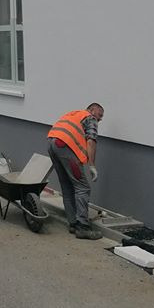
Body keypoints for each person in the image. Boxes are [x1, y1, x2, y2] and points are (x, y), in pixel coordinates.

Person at [47, 103, 104, 240]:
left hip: (52, 144)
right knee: (83, 188)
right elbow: (91, 141)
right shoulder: (90, 118)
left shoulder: (74, 114)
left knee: (67, 186)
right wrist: (92, 165)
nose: (99, 119)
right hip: (64, 146)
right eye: (99, 115)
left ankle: (73, 224)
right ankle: (83, 227)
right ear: (92, 110)